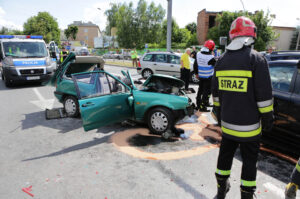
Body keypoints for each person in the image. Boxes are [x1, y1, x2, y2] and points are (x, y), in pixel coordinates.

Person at [212, 16, 274, 199]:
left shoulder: (221, 61)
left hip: (228, 127)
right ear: (251, 36)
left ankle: (221, 191)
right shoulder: (257, 59)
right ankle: (246, 196)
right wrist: (268, 118)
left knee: (224, 159)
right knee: (249, 163)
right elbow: (264, 97)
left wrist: (218, 113)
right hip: (250, 130)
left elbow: (216, 96)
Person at [194, 40, 216, 111]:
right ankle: (202, 107)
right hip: (208, 77)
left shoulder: (198, 54)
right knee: (207, 92)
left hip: (201, 76)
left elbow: (195, 65)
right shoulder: (211, 57)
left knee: (200, 90)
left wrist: (196, 73)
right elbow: (216, 66)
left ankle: (199, 104)